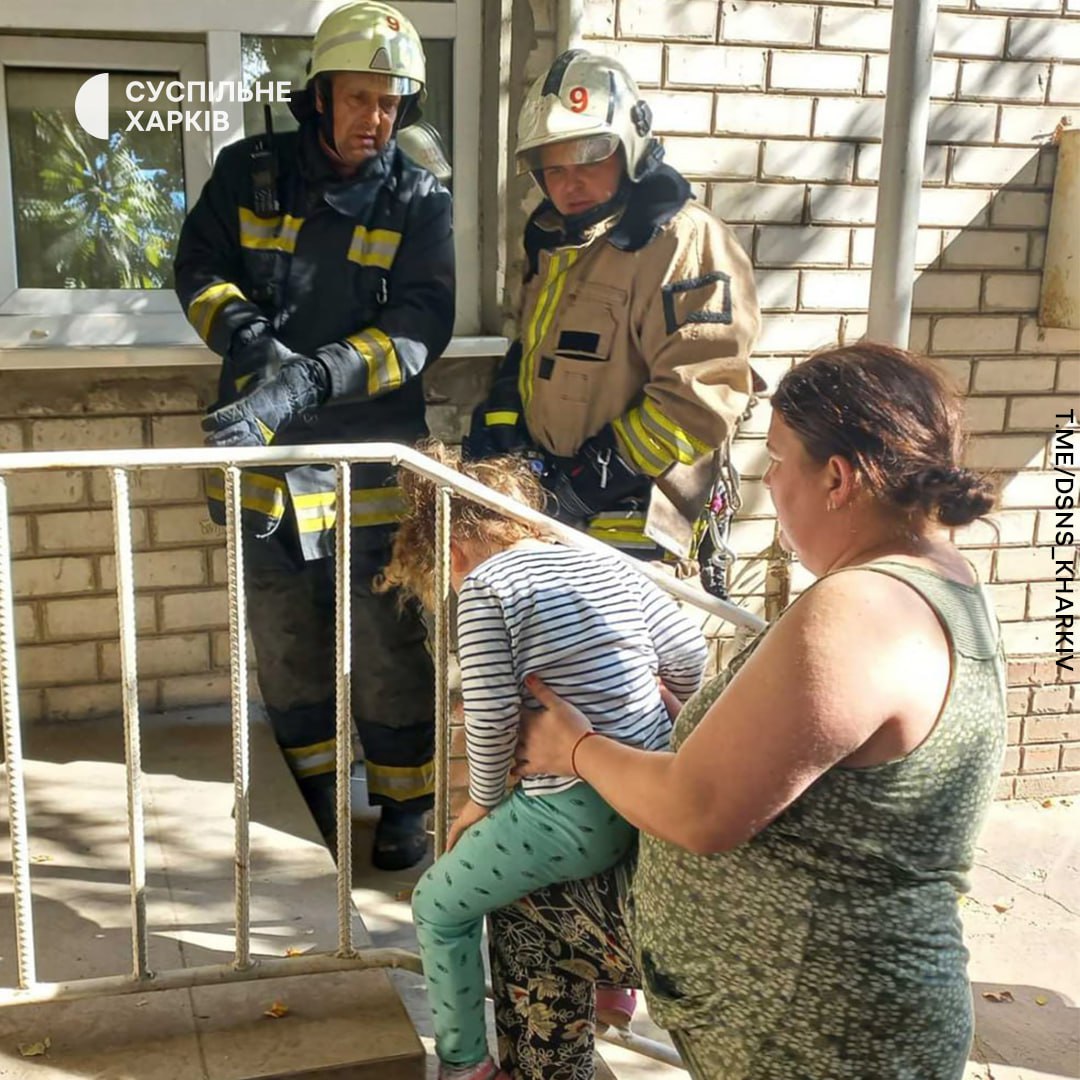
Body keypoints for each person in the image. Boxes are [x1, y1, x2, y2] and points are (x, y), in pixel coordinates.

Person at [492, 343, 1008, 1080]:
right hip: (789, 997)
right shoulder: (935, 579)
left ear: (838, 478)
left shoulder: (861, 608)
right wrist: (690, 716)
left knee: (524, 898)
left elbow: (701, 812)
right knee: (533, 907)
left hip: (819, 1029)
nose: (768, 480)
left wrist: (574, 747)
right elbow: (808, 748)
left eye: (776, 458)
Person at [173, 0, 455, 869]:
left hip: (370, 463)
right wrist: (257, 351)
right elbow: (198, 270)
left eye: (391, 100)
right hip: (264, 467)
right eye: (361, 97)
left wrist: (315, 376)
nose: (376, 117)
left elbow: (419, 327)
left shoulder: (418, 199)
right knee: (286, 640)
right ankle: (317, 796)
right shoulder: (246, 174)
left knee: (387, 641)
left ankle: (405, 803)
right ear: (320, 94)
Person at [376, 441, 708, 1080]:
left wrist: (482, 800)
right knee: (530, 884)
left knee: (438, 906)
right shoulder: (599, 560)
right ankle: (614, 993)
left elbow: (494, 713)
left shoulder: (484, 588)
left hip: (574, 811)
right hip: (648, 787)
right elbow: (689, 653)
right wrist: (665, 710)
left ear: (447, 553)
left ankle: (466, 1065)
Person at [464, 49, 761, 595]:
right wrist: (501, 426)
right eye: (553, 167)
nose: (569, 183)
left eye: (588, 159)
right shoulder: (562, 240)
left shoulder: (682, 243)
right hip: (559, 513)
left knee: (616, 678)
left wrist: (585, 484)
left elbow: (699, 399)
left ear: (630, 149)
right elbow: (533, 350)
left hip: (636, 521)